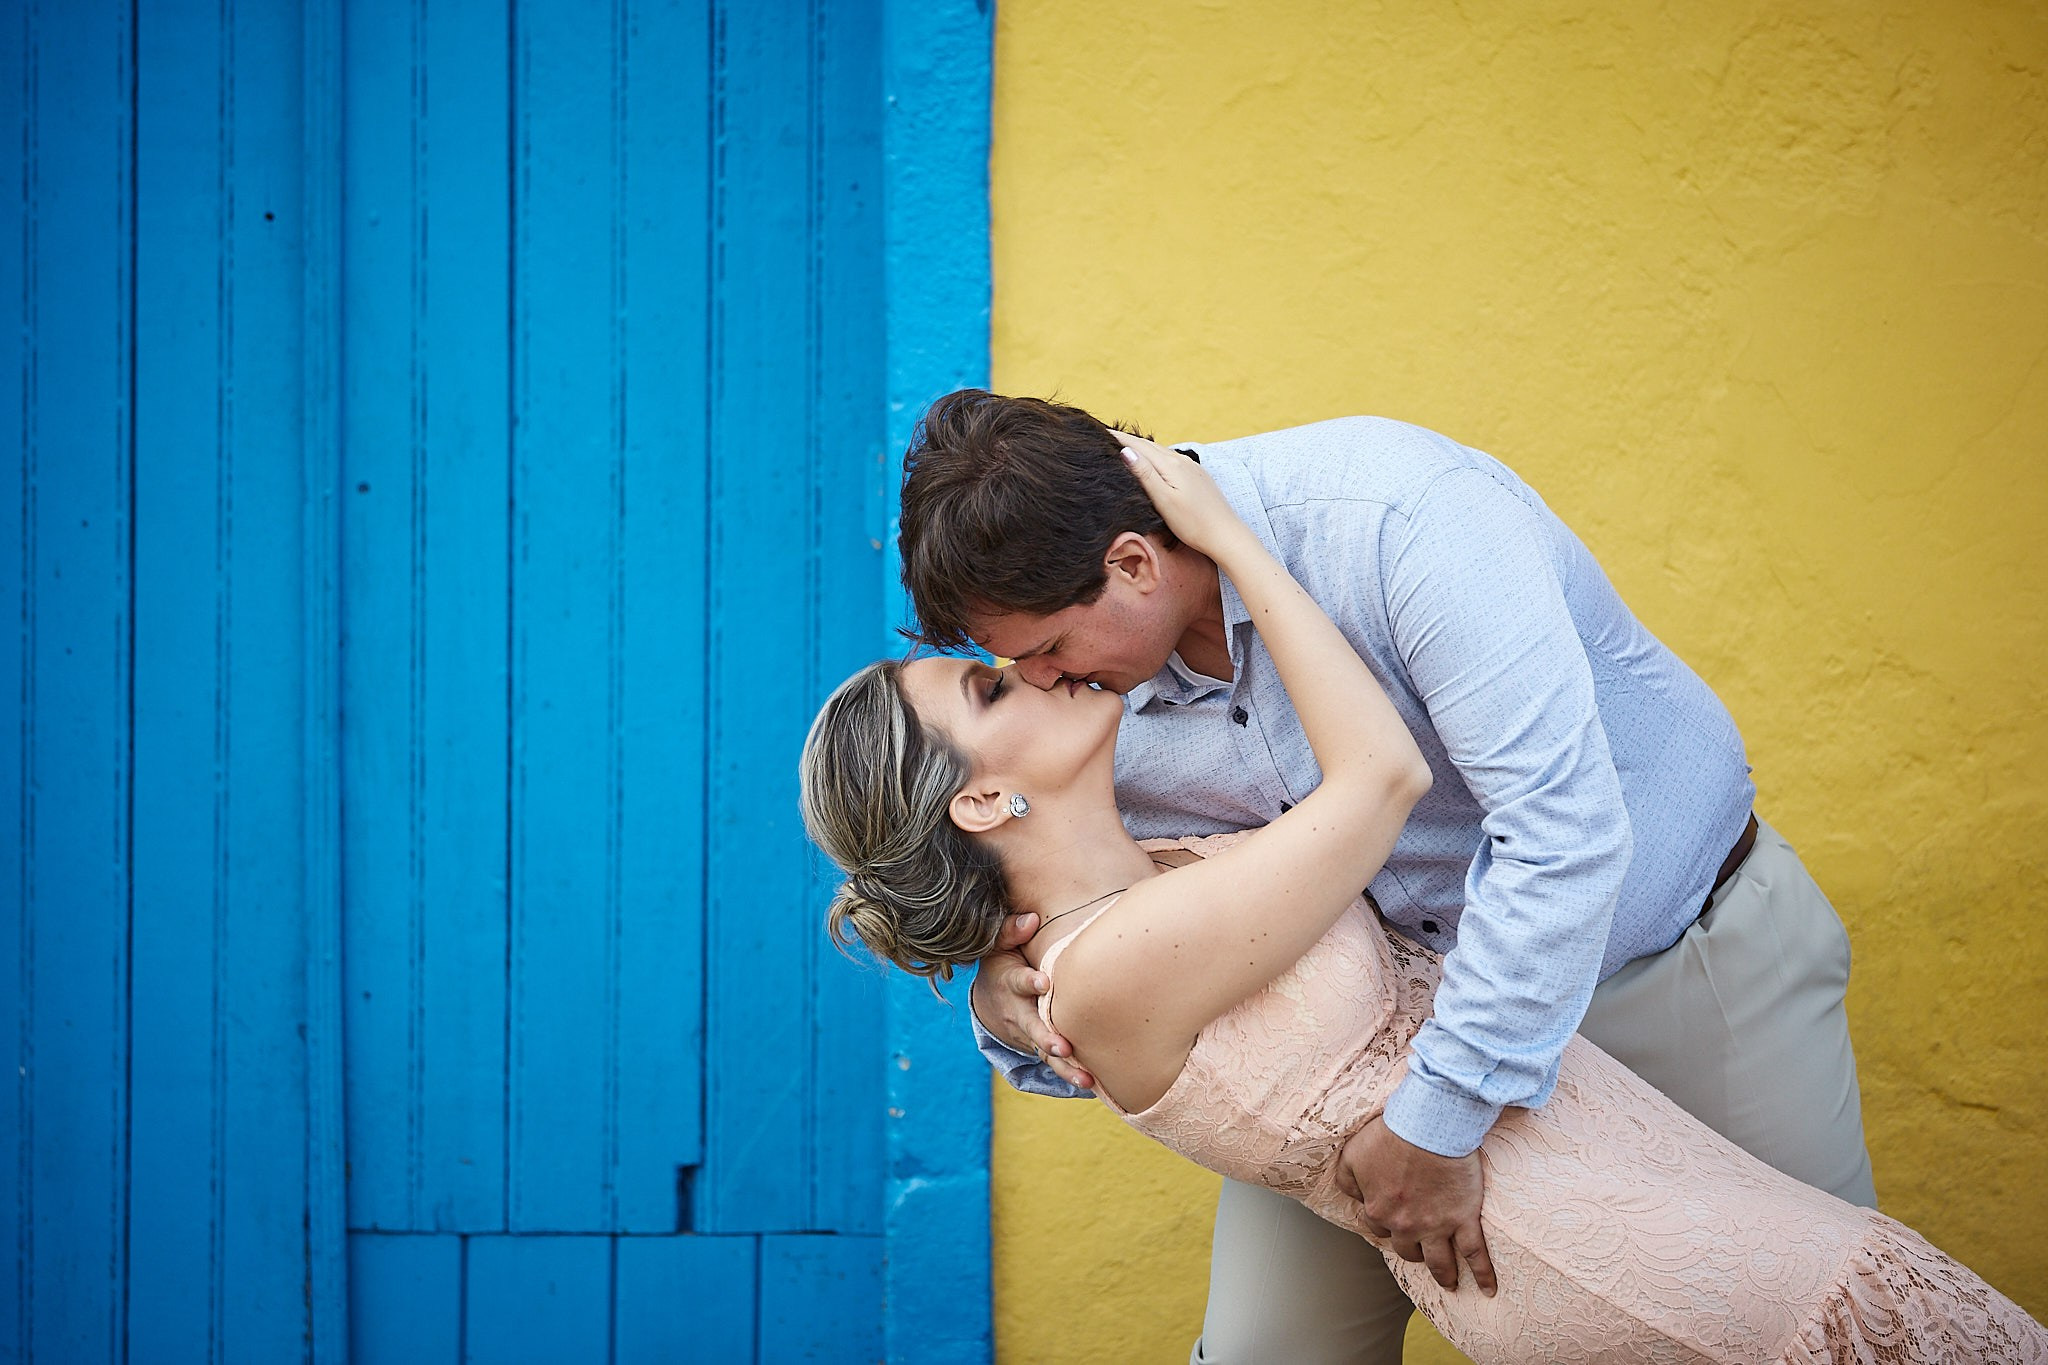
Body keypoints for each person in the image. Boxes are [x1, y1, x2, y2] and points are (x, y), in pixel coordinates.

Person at [799, 437, 2047, 1362]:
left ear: (1131, 562)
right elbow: (1064, 900)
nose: (1039, 679)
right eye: (1005, 671)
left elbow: (1559, 836)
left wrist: (1441, 1120)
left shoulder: (1398, 523)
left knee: (1816, 1315)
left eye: (1046, 651)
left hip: (1667, 963)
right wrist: (1010, 1002)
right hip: (1329, 1060)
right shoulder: (1079, 707)